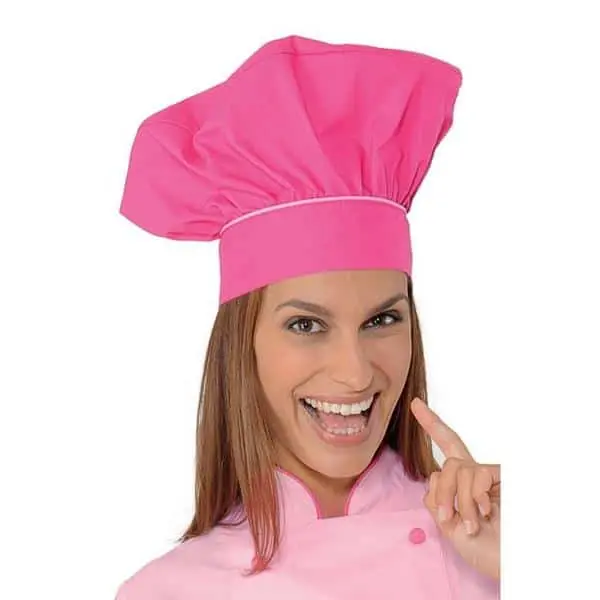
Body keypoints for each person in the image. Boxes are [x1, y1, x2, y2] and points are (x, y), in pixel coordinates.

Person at [115, 34, 501, 599]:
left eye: (382, 321)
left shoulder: (493, 543)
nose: (355, 372)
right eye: (306, 325)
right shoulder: (170, 591)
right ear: (242, 344)